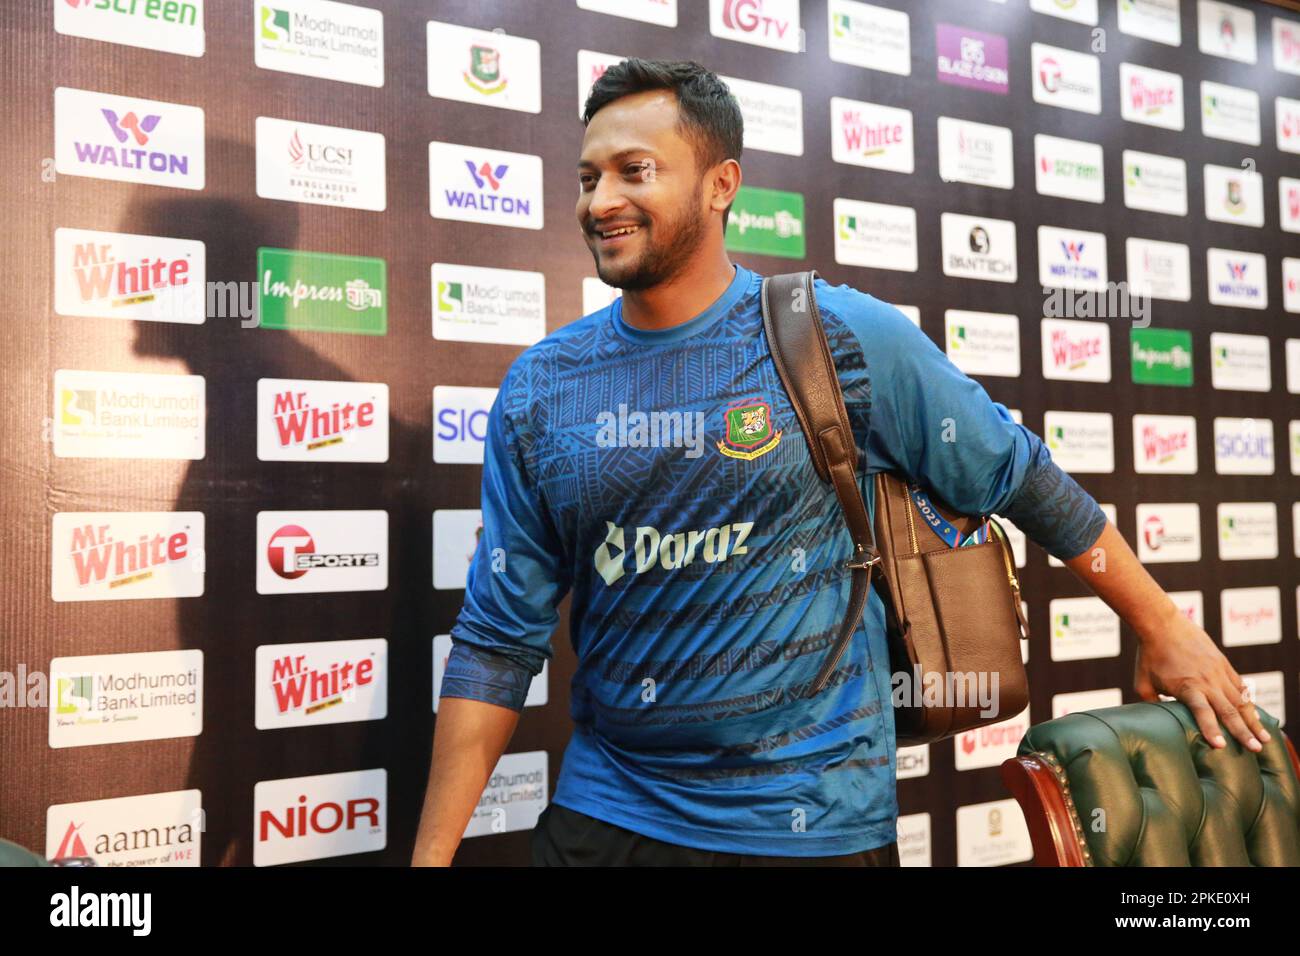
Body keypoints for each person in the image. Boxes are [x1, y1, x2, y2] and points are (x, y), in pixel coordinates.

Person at [412, 58, 1270, 867]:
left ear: (721, 186)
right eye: (589, 176)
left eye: (635, 171)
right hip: (607, 820)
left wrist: (1164, 625)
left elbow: (1019, 474)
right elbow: (496, 641)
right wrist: (432, 857)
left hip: (811, 827)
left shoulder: (835, 335)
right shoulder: (543, 387)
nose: (602, 200)